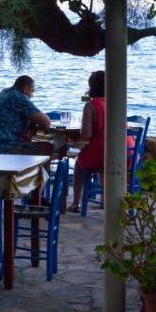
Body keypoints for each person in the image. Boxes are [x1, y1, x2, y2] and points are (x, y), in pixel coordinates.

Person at [0, 75, 52, 154]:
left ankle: (38, 166)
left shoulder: (5, 92)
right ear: (25, 89)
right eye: (32, 91)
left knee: (41, 143)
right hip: (5, 146)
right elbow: (46, 123)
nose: (32, 96)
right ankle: (44, 166)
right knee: (47, 146)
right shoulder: (18, 97)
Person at [70, 70, 106, 212]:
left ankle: (76, 203)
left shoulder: (91, 105)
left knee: (79, 165)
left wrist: (74, 141)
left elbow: (86, 135)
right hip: (124, 153)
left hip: (102, 154)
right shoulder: (116, 101)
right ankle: (105, 200)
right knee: (102, 161)